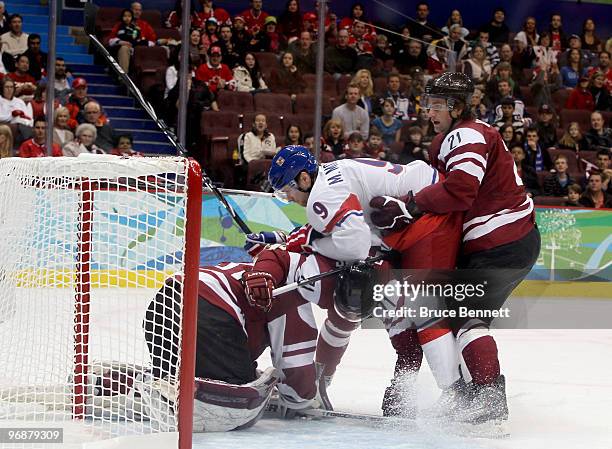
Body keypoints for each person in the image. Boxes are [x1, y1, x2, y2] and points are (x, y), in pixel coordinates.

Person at [367, 72, 541, 425]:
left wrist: (411, 205)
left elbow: (461, 188)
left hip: (500, 241)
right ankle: (476, 395)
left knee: (466, 318)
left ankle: (487, 400)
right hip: (506, 241)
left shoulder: (465, 133)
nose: (428, 112)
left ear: (456, 106)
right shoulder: (467, 134)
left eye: (435, 104)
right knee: (458, 315)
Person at [144, 252, 324, 430]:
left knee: (177, 374)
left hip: (162, 304)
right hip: (207, 315)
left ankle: (157, 387)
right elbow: (295, 364)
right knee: (237, 386)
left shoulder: (250, 269)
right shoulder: (289, 292)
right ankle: (185, 393)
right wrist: (303, 399)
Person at [107, 9, 149, 73]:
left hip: (133, 48)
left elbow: (140, 40)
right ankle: (124, 76)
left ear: (132, 17)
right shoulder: (118, 26)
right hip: (119, 47)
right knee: (124, 48)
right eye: (125, 16)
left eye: (129, 16)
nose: (127, 18)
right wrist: (120, 42)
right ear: (122, 17)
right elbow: (111, 40)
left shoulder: (136, 28)